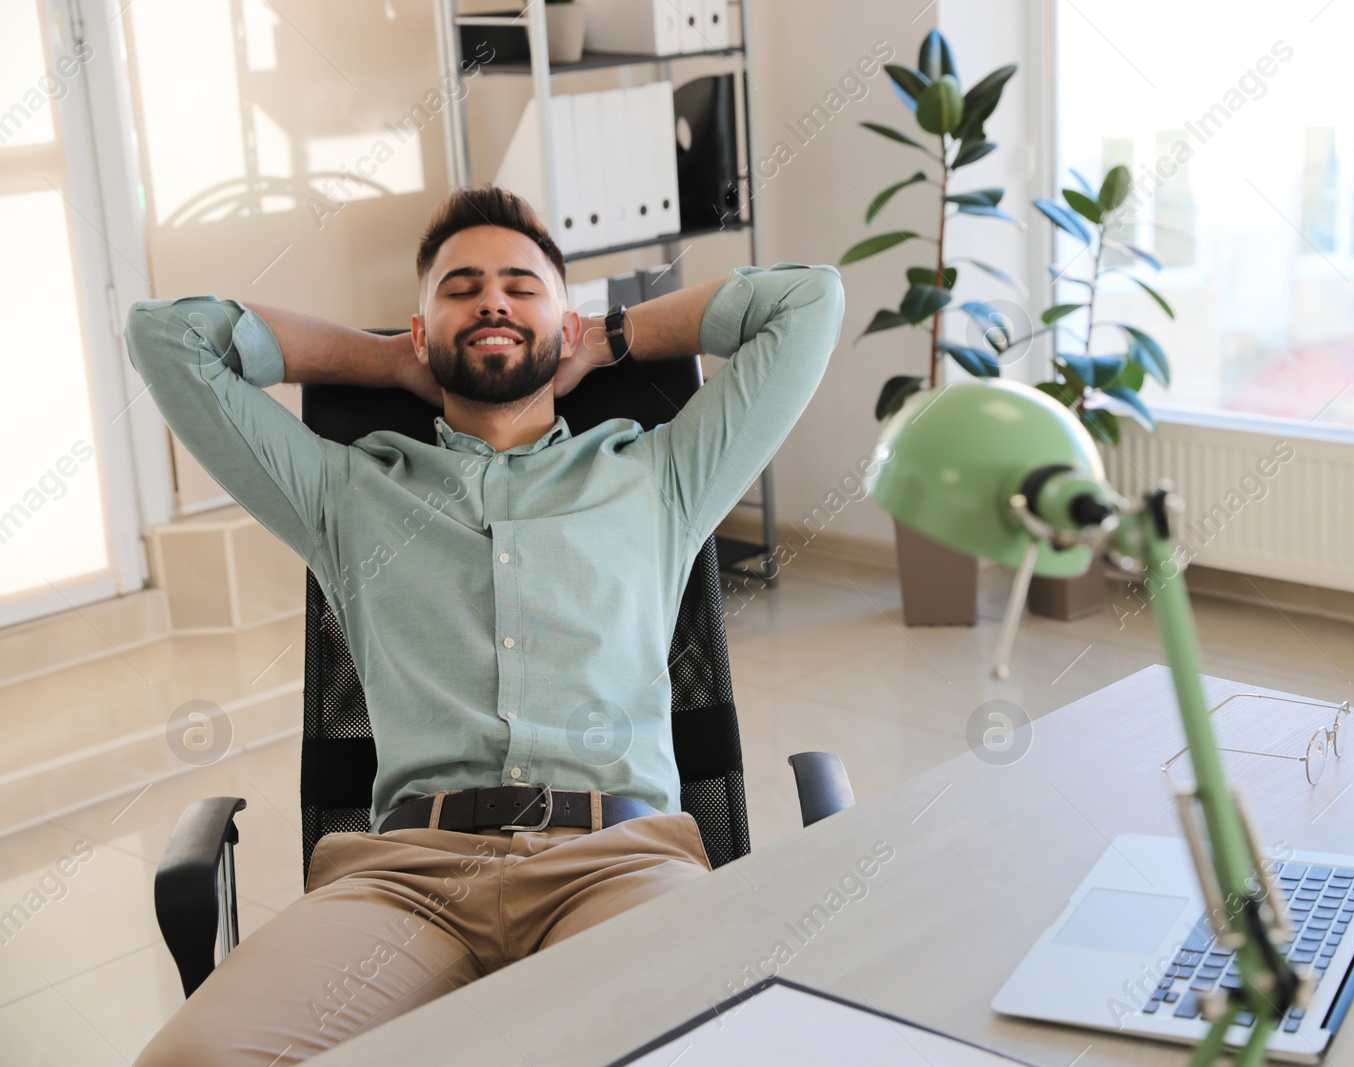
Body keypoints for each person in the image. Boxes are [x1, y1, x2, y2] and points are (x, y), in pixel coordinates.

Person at [124, 184, 845, 1065]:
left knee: (729, 1048)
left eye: (521, 285)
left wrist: (611, 338)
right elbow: (169, 336)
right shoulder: (345, 492)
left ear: (564, 324)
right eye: (461, 289)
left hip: (615, 861)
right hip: (405, 883)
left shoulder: (661, 475)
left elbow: (808, 302)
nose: (492, 299)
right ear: (422, 332)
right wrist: (385, 360)